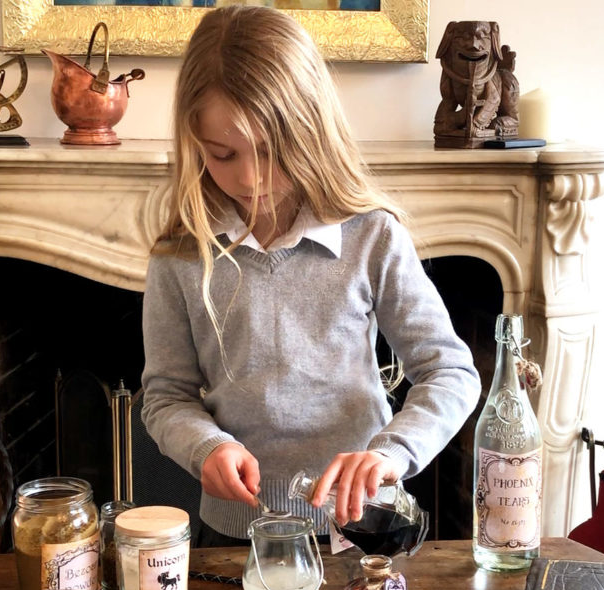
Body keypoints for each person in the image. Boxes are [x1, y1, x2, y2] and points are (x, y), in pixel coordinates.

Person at [140, 5, 481, 546]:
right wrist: (206, 446)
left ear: (311, 131)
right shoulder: (181, 254)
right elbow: (165, 394)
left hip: (357, 529)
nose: (248, 179)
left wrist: (392, 451)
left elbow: (450, 372)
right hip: (233, 533)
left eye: (270, 152)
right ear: (194, 143)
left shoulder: (372, 236)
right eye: (223, 155)